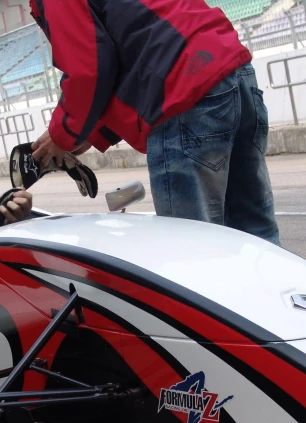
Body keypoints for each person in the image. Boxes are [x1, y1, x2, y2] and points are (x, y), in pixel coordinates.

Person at [27, 0, 280, 246]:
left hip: (184, 89)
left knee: (193, 251)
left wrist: (61, 136)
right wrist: (92, 133)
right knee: (257, 234)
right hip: (233, 68)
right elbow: (137, 41)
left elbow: (88, 70)